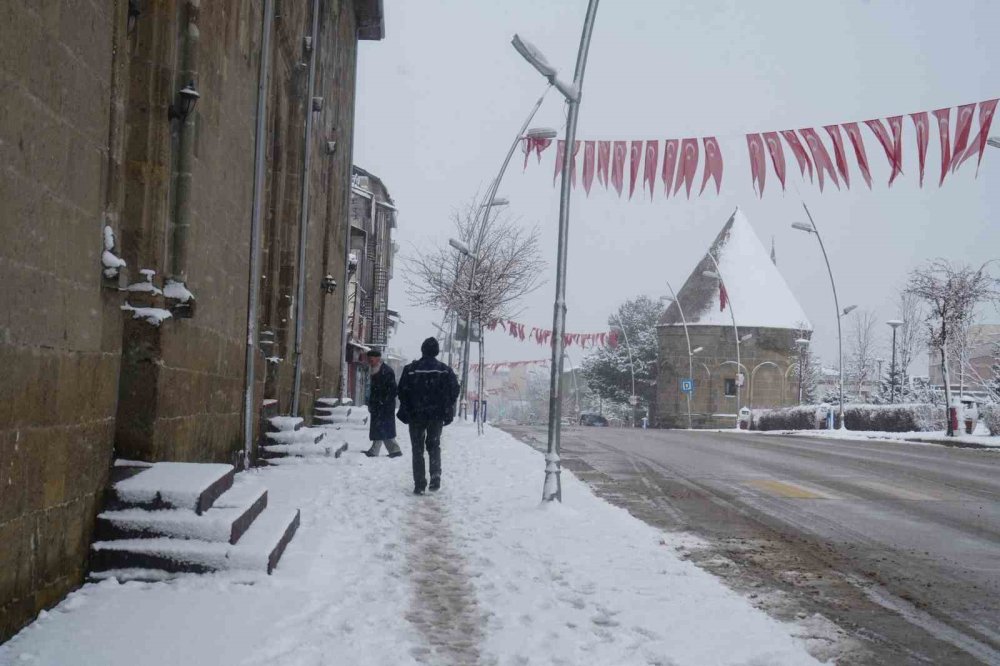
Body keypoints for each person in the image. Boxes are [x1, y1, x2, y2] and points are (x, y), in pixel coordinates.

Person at [396, 337, 459, 494]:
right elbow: (454, 390)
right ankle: (435, 476)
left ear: (422, 350)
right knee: (434, 445)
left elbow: (402, 391)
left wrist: (410, 405)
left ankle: (419, 484)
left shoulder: (411, 369)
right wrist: (445, 406)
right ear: (436, 351)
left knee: (417, 449)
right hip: (436, 416)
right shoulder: (445, 370)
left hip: (416, 415)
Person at [362, 349, 402, 458]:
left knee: (383, 427)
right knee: (379, 427)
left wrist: (383, 401)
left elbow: (393, 389)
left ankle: (391, 450)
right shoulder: (372, 370)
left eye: (371, 359)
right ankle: (392, 450)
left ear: (378, 359)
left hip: (385, 405)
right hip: (377, 405)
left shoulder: (386, 371)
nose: (370, 361)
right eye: (368, 359)